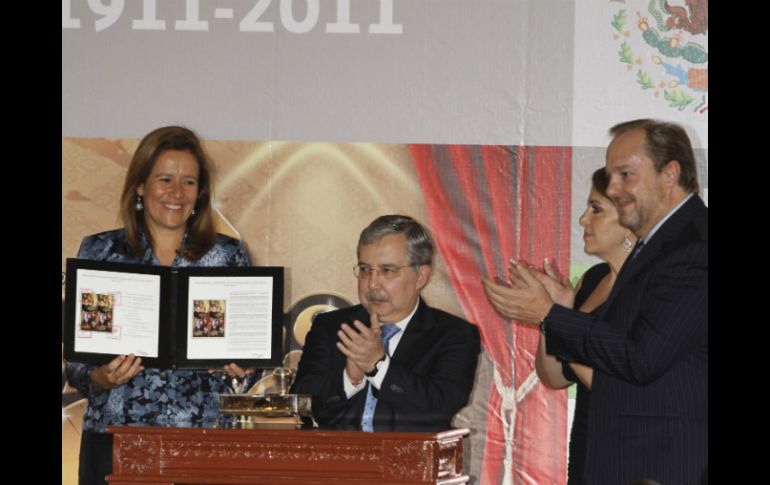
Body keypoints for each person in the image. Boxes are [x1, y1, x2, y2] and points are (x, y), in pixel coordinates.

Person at [483, 119, 707, 484]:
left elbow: (639, 359)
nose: (615, 187)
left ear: (670, 174)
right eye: (610, 175)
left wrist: (549, 314)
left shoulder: (693, 247)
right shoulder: (659, 247)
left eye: (625, 174)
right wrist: (555, 314)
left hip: (663, 464)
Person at [65, 126, 254, 485]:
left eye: (188, 182)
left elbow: (248, 362)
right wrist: (100, 378)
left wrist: (242, 368)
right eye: (165, 179)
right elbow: (77, 364)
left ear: (200, 193)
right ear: (140, 186)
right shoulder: (101, 252)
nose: (176, 193)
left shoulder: (228, 255)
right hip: (116, 438)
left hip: (204, 439)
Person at [484, 168, 637, 484]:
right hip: (587, 451)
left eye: (595, 209)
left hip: (634, 456)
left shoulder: (652, 289)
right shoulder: (592, 279)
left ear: (629, 222)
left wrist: (554, 319)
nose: (583, 219)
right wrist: (555, 315)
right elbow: (554, 377)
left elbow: (625, 389)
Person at [292, 215, 481, 430]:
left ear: (421, 276)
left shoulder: (454, 335)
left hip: (412, 461)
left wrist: (377, 365)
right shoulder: (331, 327)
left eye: (387, 271)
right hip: (333, 460)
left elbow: (439, 408)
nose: (372, 284)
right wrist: (349, 379)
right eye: (365, 270)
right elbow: (301, 404)